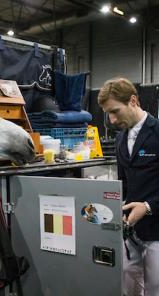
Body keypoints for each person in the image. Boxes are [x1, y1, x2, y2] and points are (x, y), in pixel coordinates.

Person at [98, 77, 159, 296]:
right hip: (131, 232)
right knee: (128, 287)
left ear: (133, 101)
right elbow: (123, 184)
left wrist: (149, 206)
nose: (112, 120)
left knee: (155, 288)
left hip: (156, 230)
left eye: (115, 111)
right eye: (108, 114)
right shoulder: (120, 139)